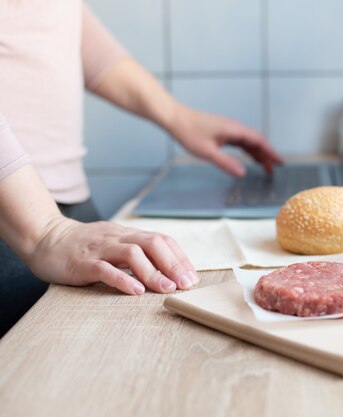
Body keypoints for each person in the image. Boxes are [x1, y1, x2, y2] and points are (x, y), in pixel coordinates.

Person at [0, 1, 283, 336]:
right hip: (17, 223)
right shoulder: (42, 230)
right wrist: (44, 231)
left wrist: (180, 119)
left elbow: (56, 21)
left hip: (62, 215)